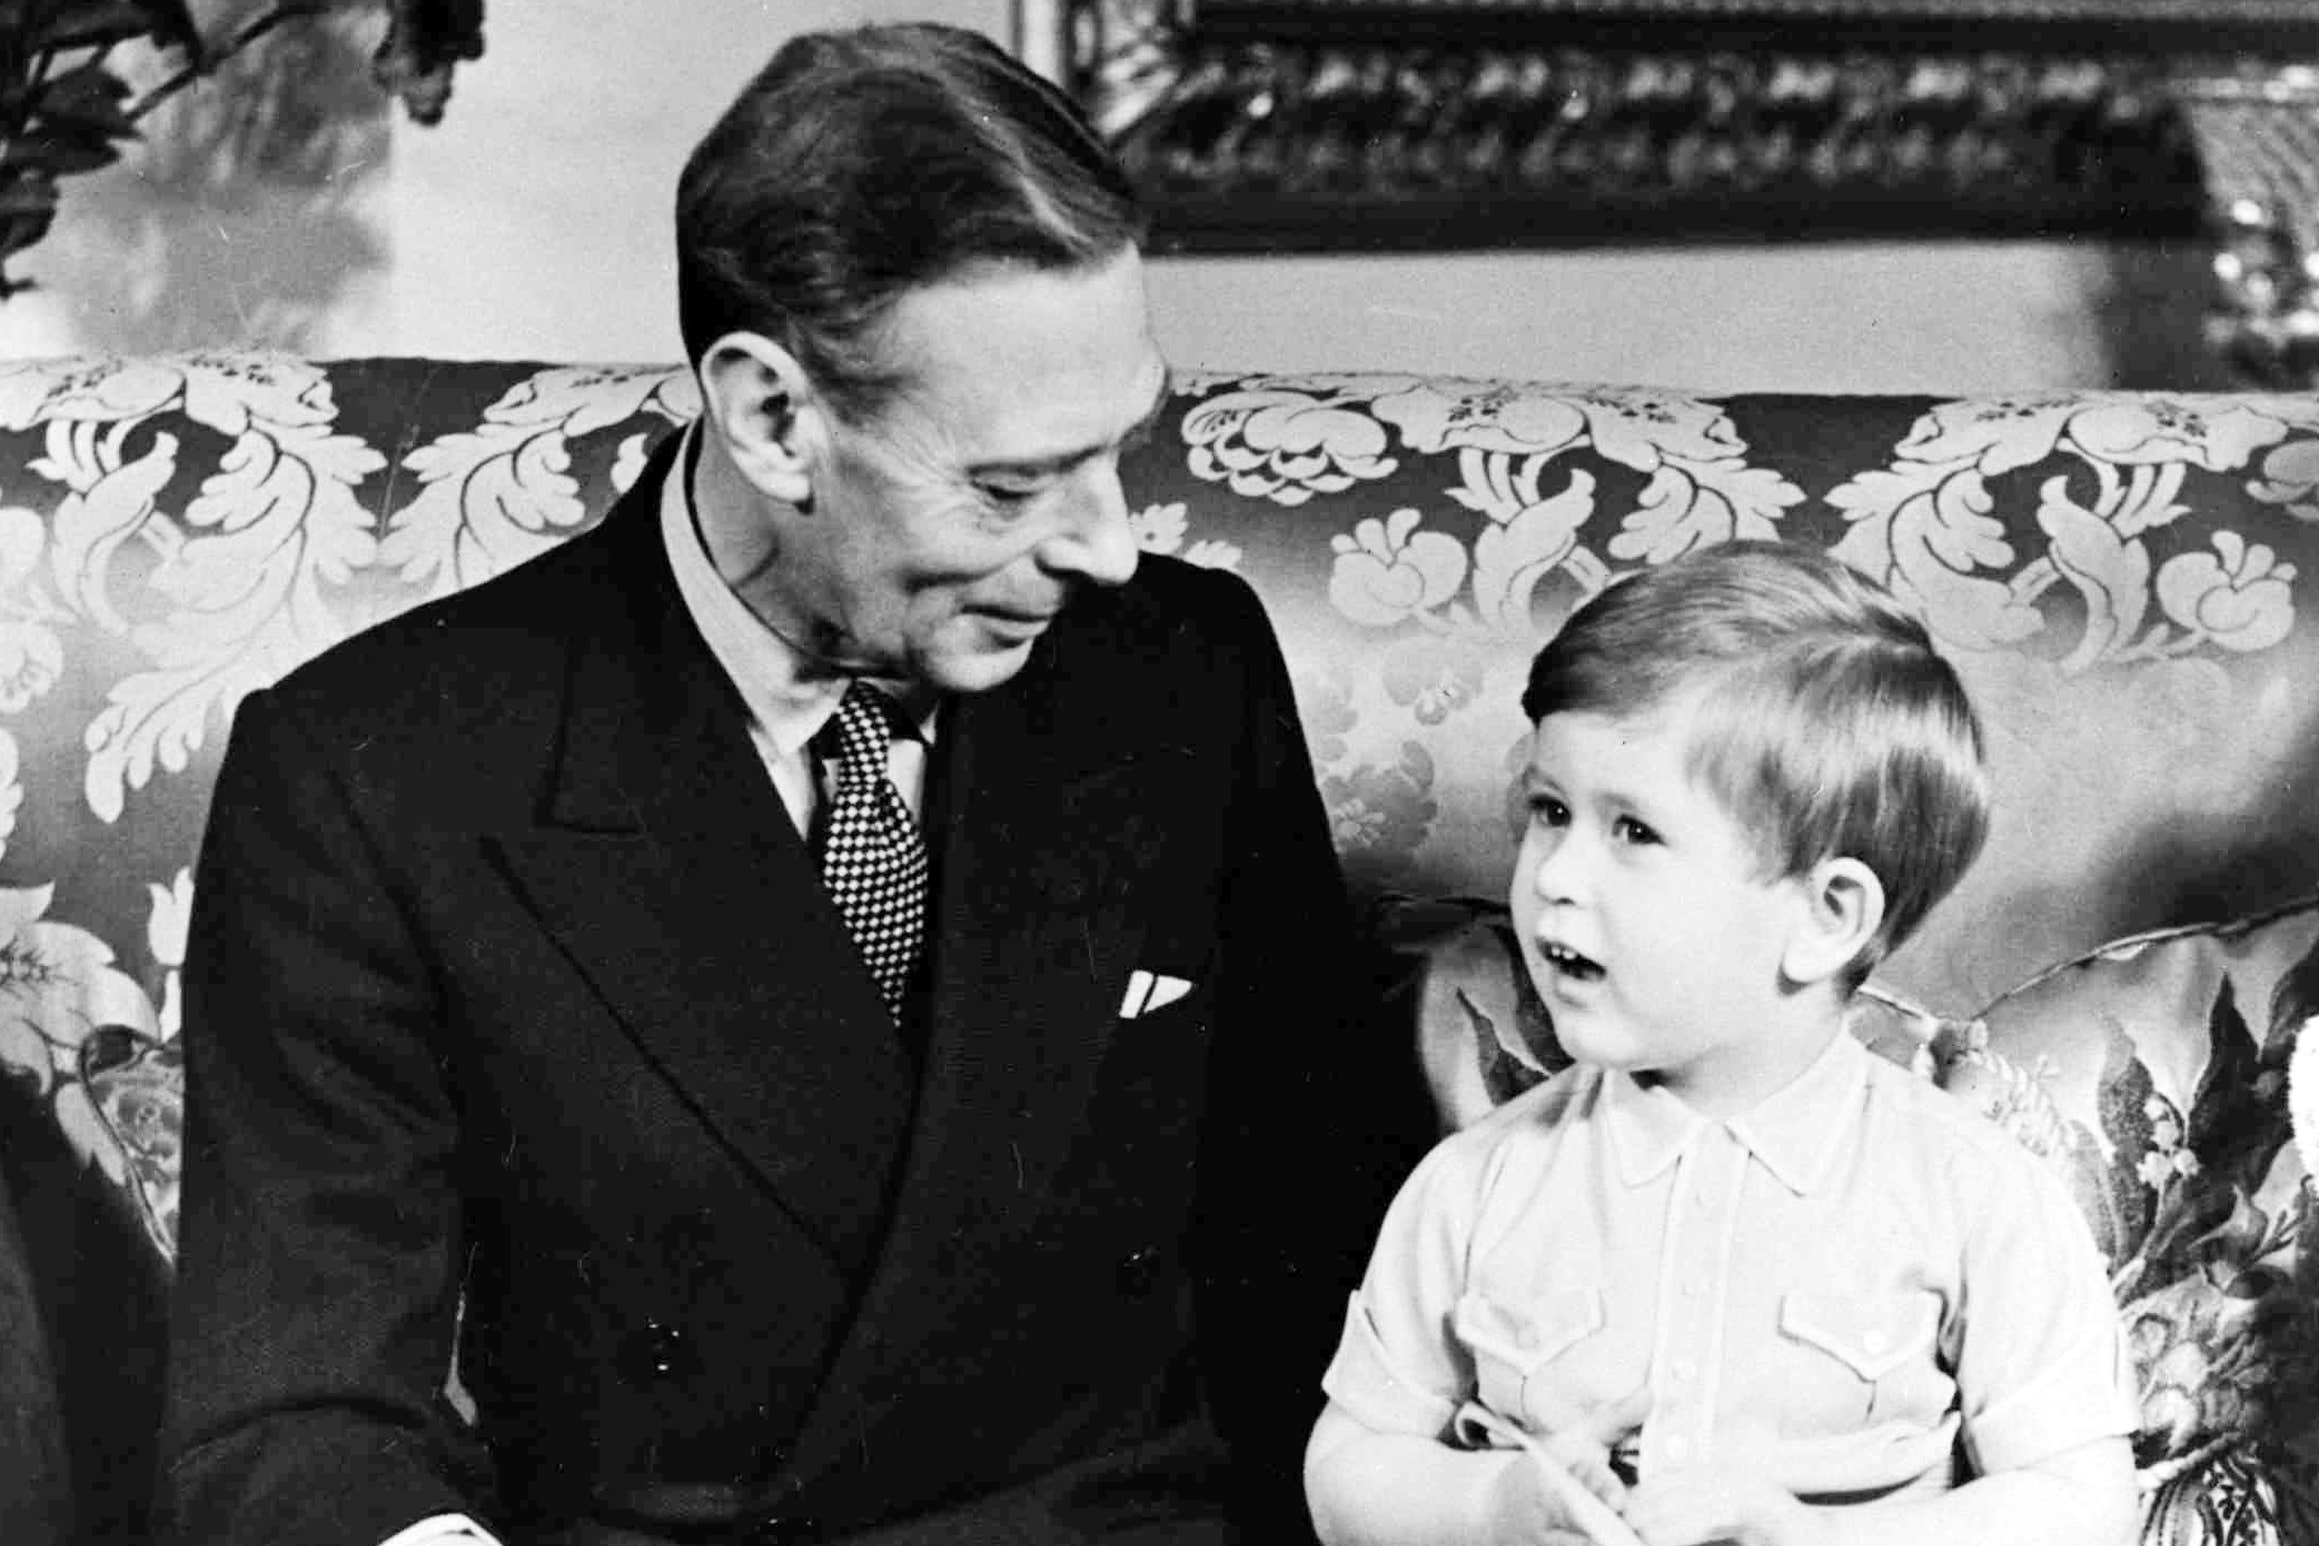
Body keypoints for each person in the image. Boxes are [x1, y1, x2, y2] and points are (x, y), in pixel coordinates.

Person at [157, 23, 1419, 1546]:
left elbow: (1314, 1250)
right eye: (1012, 485)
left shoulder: (1182, 674)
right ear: (770, 416)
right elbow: (292, 1418)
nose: (1103, 544)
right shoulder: (372, 772)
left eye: (1119, 451)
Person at [1303, 542, 2141, 1546]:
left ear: (1825, 916)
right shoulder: (1473, 1186)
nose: (1557, 874)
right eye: (1551, 810)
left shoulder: (1976, 1196)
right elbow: (1347, 1464)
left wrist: (1819, 1540)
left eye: (1635, 832)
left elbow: (2080, 1504)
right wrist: (1490, 1508)